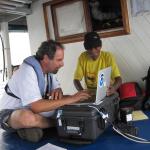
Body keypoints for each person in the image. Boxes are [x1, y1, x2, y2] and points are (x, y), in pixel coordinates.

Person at [0, 40, 90, 142]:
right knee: (27, 118)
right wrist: (71, 99)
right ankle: (57, 123)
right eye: (59, 60)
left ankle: (35, 126)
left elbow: (58, 90)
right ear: (46, 58)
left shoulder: (49, 71)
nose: (62, 64)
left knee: (67, 98)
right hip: (11, 113)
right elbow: (37, 106)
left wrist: (59, 91)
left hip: (32, 109)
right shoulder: (27, 71)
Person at [74, 31, 122, 96]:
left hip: (107, 93)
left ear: (100, 46)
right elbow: (76, 80)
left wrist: (113, 88)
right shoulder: (82, 57)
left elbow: (118, 79)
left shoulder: (108, 56)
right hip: (90, 94)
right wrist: (82, 92)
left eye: (96, 47)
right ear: (86, 48)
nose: (93, 50)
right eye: (90, 48)